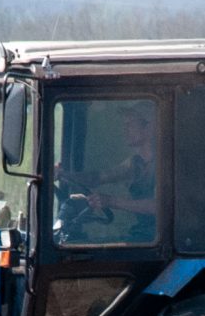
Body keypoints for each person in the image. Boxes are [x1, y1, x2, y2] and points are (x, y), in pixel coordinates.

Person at [53, 100, 159, 245]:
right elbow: (97, 178)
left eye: (130, 124)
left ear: (149, 127)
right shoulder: (135, 163)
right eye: (125, 124)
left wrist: (111, 201)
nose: (125, 129)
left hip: (156, 238)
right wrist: (64, 175)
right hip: (141, 235)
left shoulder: (164, 163)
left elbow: (158, 206)